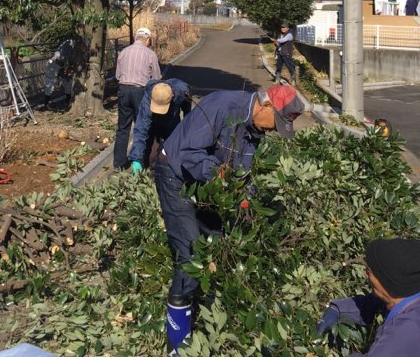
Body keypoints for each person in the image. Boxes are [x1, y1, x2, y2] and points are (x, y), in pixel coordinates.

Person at [155, 84, 304, 299]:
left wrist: (246, 201)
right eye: (277, 123)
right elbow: (189, 154)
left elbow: (241, 170)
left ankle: (205, 309)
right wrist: (221, 175)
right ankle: (178, 321)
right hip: (175, 173)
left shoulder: (255, 129)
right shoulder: (222, 106)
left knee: (214, 242)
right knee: (191, 256)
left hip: (204, 182)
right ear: (266, 105)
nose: (273, 130)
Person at [316, 237, 420, 355]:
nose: (365, 274)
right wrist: (337, 309)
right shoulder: (408, 293)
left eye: (369, 271)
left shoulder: (404, 332)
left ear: (387, 281)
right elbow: (373, 304)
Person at [113, 26, 161, 170]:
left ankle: (119, 163)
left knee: (123, 127)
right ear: (147, 39)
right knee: (143, 127)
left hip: (123, 90)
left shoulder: (124, 52)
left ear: (136, 38)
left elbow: (117, 75)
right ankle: (141, 161)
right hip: (140, 91)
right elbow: (157, 78)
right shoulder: (150, 54)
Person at [128, 78, 191, 174]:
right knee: (151, 155)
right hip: (153, 122)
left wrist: (186, 132)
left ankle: (170, 174)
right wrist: (136, 158)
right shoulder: (148, 100)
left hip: (172, 123)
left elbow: (187, 113)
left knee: (171, 153)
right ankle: (152, 175)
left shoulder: (182, 92)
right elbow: (141, 129)